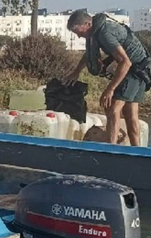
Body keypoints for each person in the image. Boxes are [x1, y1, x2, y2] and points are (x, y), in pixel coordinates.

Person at [64, 9, 151, 146]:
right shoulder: (95, 32)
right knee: (130, 114)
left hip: (136, 71)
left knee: (112, 108)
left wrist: (110, 89)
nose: (79, 37)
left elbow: (125, 62)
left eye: (79, 33)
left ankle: (111, 149)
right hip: (141, 70)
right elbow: (89, 54)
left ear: (88, 24)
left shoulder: (104, 33)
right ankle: (137, 151)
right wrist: (76, 71)